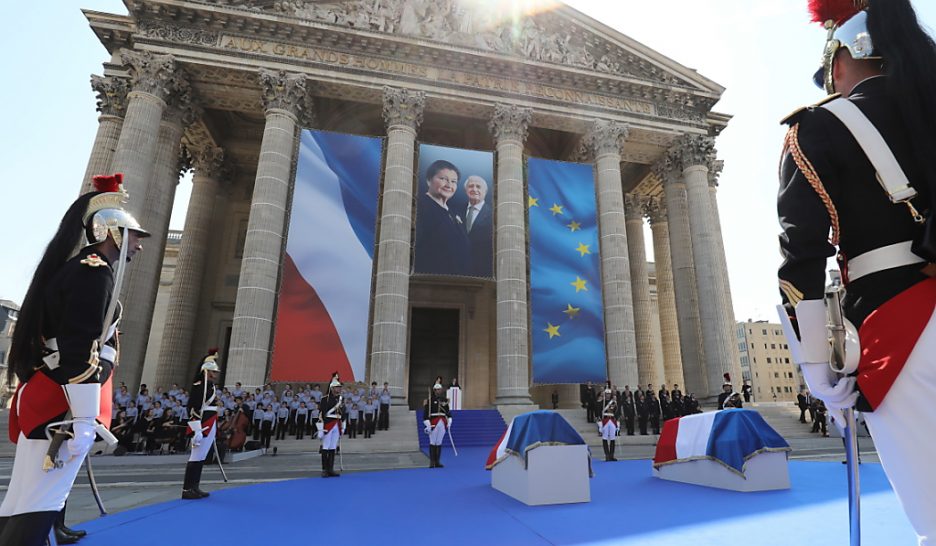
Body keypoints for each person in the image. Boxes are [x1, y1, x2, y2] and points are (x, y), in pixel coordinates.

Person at [778, 2, 936, 541]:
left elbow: (802, 256)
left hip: (905, 332)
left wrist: (818, 368)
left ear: (843, 58)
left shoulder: (820, 127)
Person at [0, 173, 148, 545]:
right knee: (38, 505)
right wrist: (84, 419)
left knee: (21, 501)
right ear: (111, 232)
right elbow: (78, 349)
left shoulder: (81, 269)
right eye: (134, 237)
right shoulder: (93, 273)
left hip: (47, 396)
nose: (139, 247)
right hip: (61, 405)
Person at [413, 159, 470, 275]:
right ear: (429, 180)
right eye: (443, 179)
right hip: (431, 282)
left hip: (459, 283)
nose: (449, 185)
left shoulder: (454, 213)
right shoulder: (419, 206)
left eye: (453, 181)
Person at [182, 349, 222, 500]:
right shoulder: (200, 385)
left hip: (210, 421)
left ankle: (195, 486)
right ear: (207, 371)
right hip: (202, 423)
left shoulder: (210, 386)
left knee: (201, 456)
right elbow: (193, 407)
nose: (216, 374)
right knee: (195, 456)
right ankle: (187, 488)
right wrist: (196, 429)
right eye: (214, 371)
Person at [463, 175, 493, 277]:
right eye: (471, 186)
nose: (474, 189)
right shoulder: (455, 211)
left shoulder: (494, 215)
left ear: (485, 191)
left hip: (483, 273)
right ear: (465, 190)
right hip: (455, 270)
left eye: (478, 187)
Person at [317, 373, 343, 478]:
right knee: (326, 446)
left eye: (339, 387)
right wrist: (321, 427)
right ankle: (324, 469)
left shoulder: (340, 399)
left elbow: (343, 412)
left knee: (332, 447)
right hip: (328, 424)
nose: (339, 389)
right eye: (337, 387)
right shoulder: (324, 399)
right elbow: (322, 413)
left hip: (337, 424)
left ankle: (331, 469)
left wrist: (343, 424)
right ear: (332, 388)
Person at [423, 382, 452, 468]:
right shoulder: (429, 400)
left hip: (442, 422)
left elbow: (448, 412)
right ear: (434, 390)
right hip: (433, 422)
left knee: (439, 442)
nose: (439, 391)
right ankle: (432, 462)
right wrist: (428, 424)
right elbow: (425, 415)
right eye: (437, 390)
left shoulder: (444, 400)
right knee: (433, 442)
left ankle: (437, 461)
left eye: (440, 389)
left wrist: (449, 421)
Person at [597, 390, 619, 461]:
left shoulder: (613, 402)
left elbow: (616, 412)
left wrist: (617, 421)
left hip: (612, 420)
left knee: (612, 438)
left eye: (609, 394)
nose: (608, 395)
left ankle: (611, 455)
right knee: (605, 438)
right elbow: (598, 412)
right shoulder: (602, 402)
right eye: (607, 394)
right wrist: (600, 423)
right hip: (605, 421)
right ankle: (607, 455)